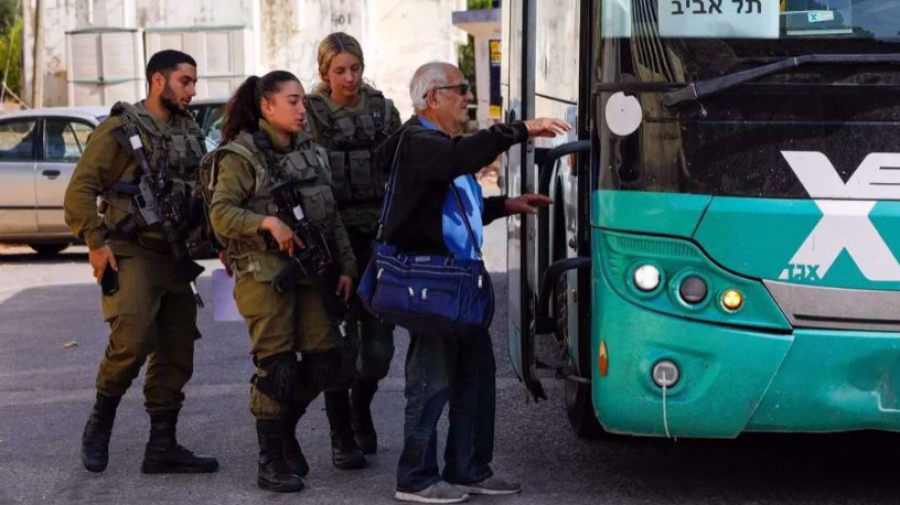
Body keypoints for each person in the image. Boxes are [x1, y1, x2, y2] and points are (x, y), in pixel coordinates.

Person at [380, 62, 569, 504]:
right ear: (431, 98)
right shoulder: (419, 143)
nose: (468, 97)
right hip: (432, 288)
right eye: (459, 89)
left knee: (476, 378)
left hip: (458, 286)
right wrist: (521, 128)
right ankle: (415, 477)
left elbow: (457, 209)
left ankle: (467, 468)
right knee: (431, 382)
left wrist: (506, 203)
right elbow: (459, 160)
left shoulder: (441, 146)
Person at [64, 50, 219, 475]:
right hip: (132, 249)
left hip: (177, 255)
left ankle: (162, 446)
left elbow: (203, 192)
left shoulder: (189, 130)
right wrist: (95, 243)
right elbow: (79, 191)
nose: (192, 90)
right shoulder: (120, 129)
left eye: (194, 82)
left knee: (177, 351)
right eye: (185, 81)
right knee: (132, 339)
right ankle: (100, 421)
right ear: (158, 81)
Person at [208, 71, 357, 493]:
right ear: (266, 107)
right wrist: (267, 222)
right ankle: (270, 460)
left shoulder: (310, 152)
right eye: (291, 101)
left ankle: (284, 430)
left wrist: (346, 266)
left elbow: (332, 216)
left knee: (327, 360)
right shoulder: (240, 157)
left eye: (302, 101)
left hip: (313, 273)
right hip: (263, 275)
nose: (300, 109)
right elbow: (221, 214)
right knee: (277, 370)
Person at [305, 31, 402, 468]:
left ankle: (361, 405)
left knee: (379, 350)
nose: (349, 78)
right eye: (339, 70)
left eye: (355, 68)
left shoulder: (383, 110)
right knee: (335, 345)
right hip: (331, 242)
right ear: (324, 73)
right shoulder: (307, 113)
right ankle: (341, 432)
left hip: (379, 241)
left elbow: (406, 168)